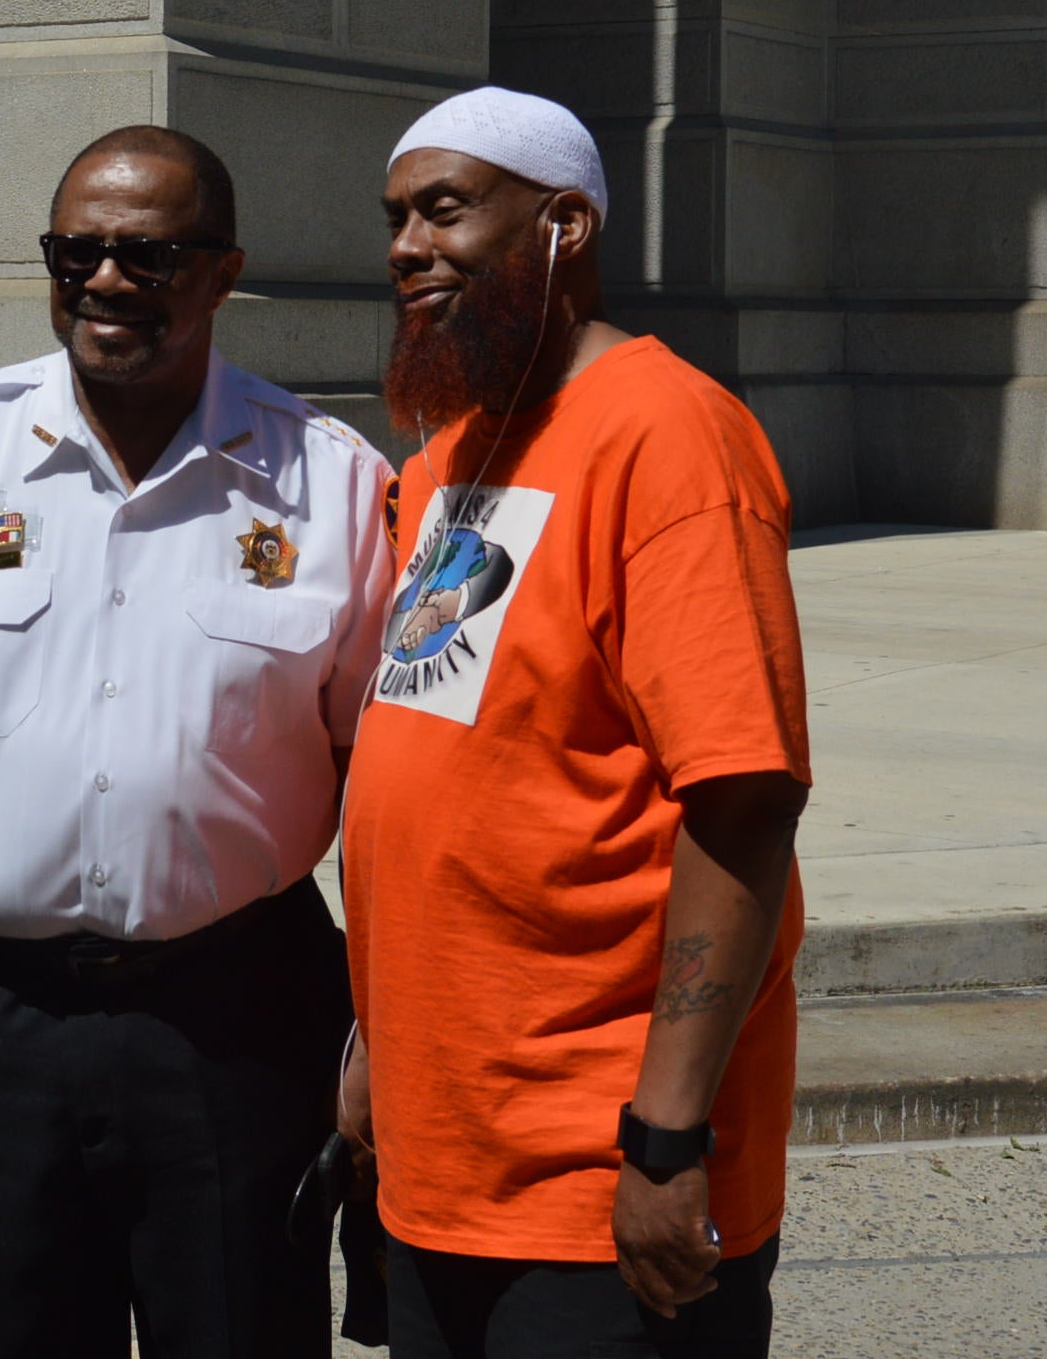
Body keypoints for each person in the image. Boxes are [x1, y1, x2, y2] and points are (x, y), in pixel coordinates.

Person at [0, 126, 396, 1358]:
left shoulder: (325, 484)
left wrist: (384, 1023)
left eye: (147, 256)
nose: (104, 281)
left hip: (232, 1024)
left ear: (222, 271)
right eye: (76, 251)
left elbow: (384, 779)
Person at [339, 88, 815, 1358]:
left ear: (562, 224)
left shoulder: (669, 433)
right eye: (393, 216)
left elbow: (744, 794)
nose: (404, 245)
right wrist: (373, 1041)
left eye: (445, 207)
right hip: (442, 1147)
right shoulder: (450, 450)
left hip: (592, 1167)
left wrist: (666, 1137)